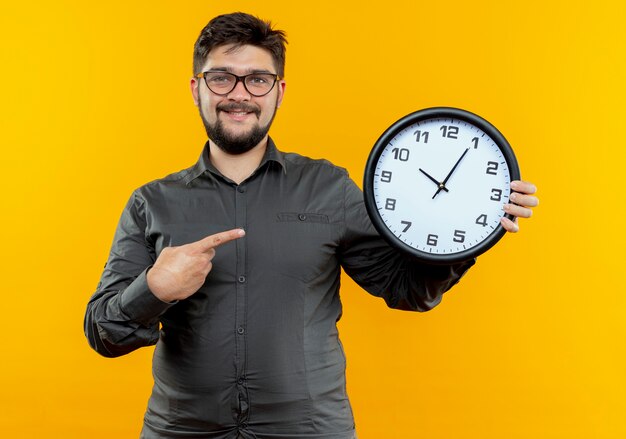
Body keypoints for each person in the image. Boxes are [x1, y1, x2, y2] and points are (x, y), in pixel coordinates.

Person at [84, 12, 539, 439]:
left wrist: (474, 229)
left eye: (257, 80)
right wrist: (154, 288)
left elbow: (409, 290)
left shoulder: (329, 187)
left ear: (278, 91)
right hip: (182, 429)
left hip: (309, 429)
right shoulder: (152, 202)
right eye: (221, 77)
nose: (238, 94)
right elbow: (103, 333)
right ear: (196, 88)